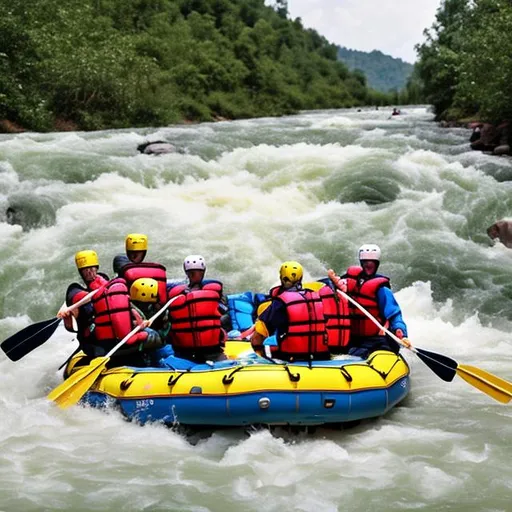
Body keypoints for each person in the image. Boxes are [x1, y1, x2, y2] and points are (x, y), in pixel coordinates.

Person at [328, 244, 407, 359]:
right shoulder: (347, 283)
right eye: (365, 263)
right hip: (351, 339)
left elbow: (394, 314)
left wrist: (400, 330)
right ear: (361, 263)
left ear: (377, 264)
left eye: (371, 263)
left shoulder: (382, 289)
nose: (368, 266)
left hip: (376, 340)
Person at [250, 261, 330, 362]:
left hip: (292, 358)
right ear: (301, 278)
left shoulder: (280, 302)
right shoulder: (316, 297)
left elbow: (258, 337)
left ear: (281, 278)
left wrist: (258, 354)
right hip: (322, 357)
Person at [166, 255, 228, 362]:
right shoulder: (214, 292)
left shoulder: (175, 294)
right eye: (193, 272)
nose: (195, 275)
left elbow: (169, 318)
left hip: (195, 350)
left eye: (196, 272)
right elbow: (222, 311)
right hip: (201, 350)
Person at [58, 250, 110, 358]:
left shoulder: (104, 279)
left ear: (97, 268)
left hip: (110, 333)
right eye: (85, 270)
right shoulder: (74, 289)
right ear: (80, 272)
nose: (89, 273)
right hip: (90, 341)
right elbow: (79, 298)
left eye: (92, 269)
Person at [115, 233, 168, 308]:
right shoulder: (159, 271)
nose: (134, 256)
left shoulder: (123, 267)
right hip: (156, 310)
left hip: (133, 309)